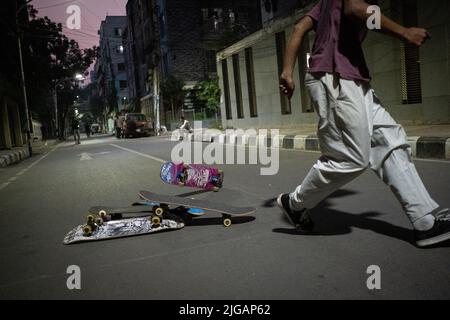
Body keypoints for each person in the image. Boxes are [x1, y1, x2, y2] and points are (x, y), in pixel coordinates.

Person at [277, 0, 449, 247]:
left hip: (353, 78)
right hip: (334, 77)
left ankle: (424, 221)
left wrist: (286, 71)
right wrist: (403, 32)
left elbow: (299, 28)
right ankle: (294, 203)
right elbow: (356, 8)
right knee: (351, 158)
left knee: (390, 141)